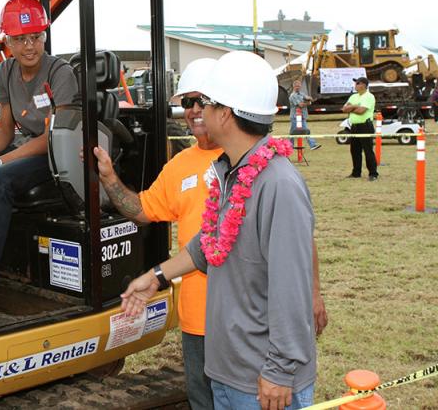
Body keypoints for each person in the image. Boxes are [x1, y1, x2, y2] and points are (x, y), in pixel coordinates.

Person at [96, 58, 327, 410]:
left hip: (260, 380)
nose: (198, 110)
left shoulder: (278, 184)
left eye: (209, 102)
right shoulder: (229, 173)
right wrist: (155, 277)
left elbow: (290, 285)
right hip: (229, 369)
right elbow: (209, 244)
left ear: (227, 114)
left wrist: (280, 372)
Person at [0, 0, 77, 308]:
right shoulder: (5, 73)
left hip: (55, 155)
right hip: (22, 148)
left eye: (36, 37)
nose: (29, 46)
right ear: (8, 43)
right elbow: (4, 131)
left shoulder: (60, 72)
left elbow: (53, 137)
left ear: (44, 36)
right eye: (20, 39)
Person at [342, 76, 378, 180]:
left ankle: (373, 173)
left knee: (368, 151)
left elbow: (361, 111)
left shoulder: (369, 96)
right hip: (354, 127)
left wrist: (352, 107)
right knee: (355, 150)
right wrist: (355, 106)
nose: (355, 85)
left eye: (357, 83)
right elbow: (344, 109)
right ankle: (356, 172)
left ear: (363, 85)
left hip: (365, 126)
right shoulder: (354, 96)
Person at [288, 79, 320, 150]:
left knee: (303, 130)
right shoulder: (293, 96)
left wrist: (309, 99)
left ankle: (312, 145)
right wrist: (308, 103)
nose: (298, 87)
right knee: (293, 132)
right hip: (295, 117)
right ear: (293, 87)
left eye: (299, 86)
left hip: (302, 116)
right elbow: (300, 105)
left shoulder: (301, 93)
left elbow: (309, 98)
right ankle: (290, 146)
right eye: (296, 86)